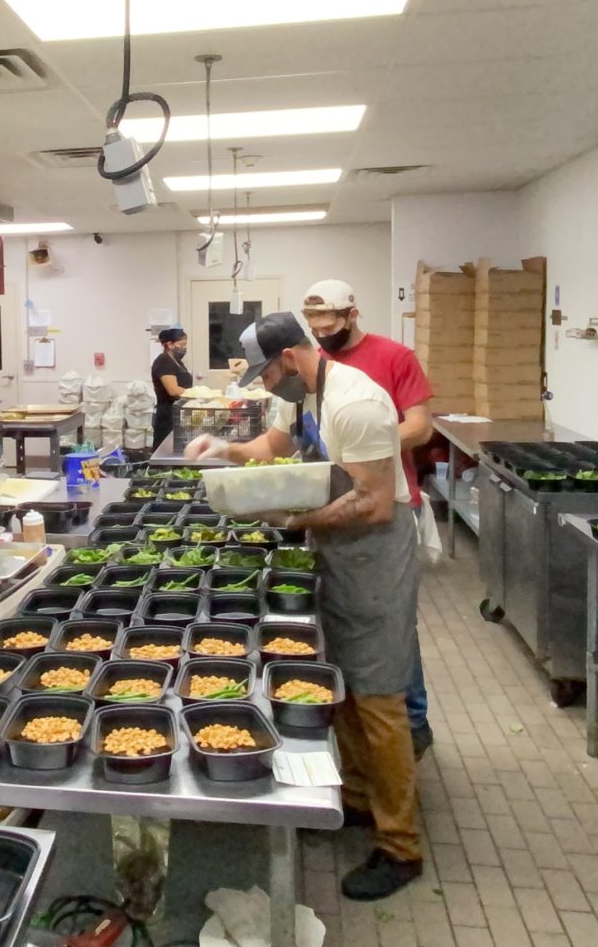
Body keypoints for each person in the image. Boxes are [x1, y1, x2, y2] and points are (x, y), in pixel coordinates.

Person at [186, 312, 424, 901]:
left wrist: (294, 524)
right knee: (340, 680)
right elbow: (278, 443)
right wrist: (226, 451)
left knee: (379, 696)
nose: (264, 387)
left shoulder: (357, 403)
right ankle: (360, 799)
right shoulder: (302, 395)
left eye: (264, 376)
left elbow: (374, 504)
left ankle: (401, 847)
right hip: (335, 548)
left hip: (373, 556)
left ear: (289, 359)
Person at [300, 279, 438, 760]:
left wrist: (367, 448)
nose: (322, 331)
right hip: (342, 508)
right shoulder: (316, 368)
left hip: (388, 497)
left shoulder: (394, 357)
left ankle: (412, 722)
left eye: (330, 322)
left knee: (391, 630)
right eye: (313, 323)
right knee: (351, 626)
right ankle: (364, 729)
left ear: (353, 314)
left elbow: (421, 427)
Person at [149, 326, 192, 450]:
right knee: (167, 450)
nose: (184, 348)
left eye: (185, 345)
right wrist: (197, 394)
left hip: (179, 413)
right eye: (181, 344)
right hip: (168, 415)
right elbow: (172, 390)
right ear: (170, 344)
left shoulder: (177, 361)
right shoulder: (164, 361)